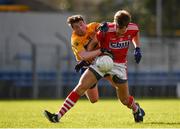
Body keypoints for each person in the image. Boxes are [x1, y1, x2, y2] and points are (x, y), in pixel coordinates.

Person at [44, 10, 145, 123]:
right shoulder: (103, 32)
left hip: (119, 66)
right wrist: (85, 61)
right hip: (100, 61)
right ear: (114, 23)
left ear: (126, 26)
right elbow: (91, 45)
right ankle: (57, 116)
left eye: (120, 28)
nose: (117, 30)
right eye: (116, 26)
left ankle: (136, 109)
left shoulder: (133, 28)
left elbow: (135, 33)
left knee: (124, 99)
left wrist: (137, 48)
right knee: (81, 87)